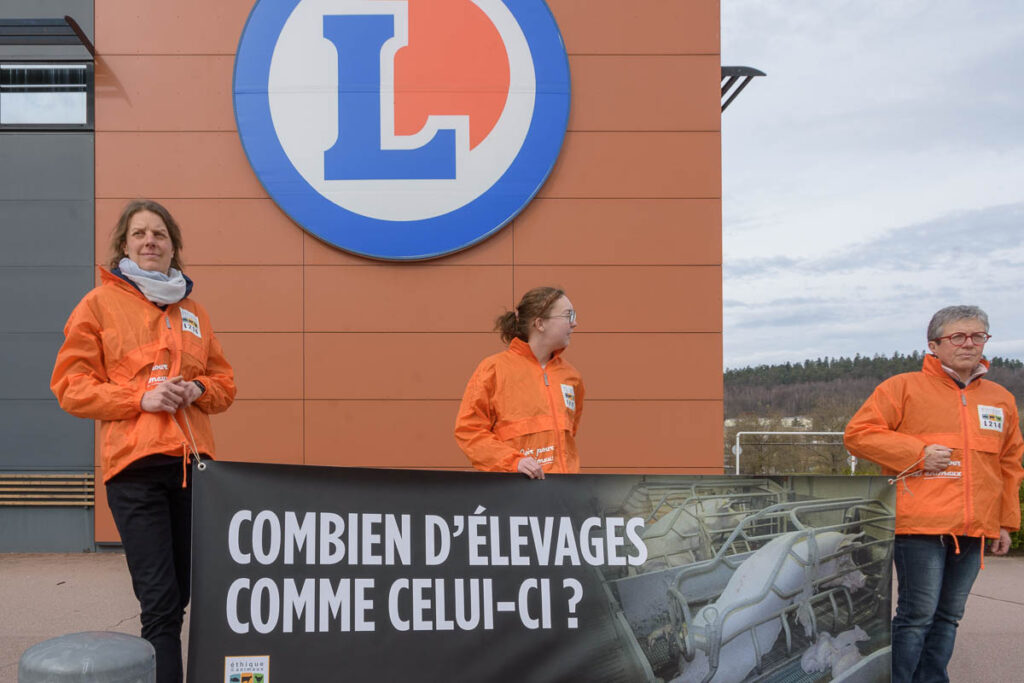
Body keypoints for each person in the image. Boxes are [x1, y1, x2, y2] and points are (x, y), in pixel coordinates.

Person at [51, 199, 236, 683]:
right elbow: (70, 387)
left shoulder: (194, 312)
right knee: (160, 603)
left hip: (193, 471)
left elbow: (225, 384)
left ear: (173, 248)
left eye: (159, 234)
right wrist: (140, 398)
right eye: (139, 234)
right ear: (124, 245)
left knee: (184, 594)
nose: (150, 241)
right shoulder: (97, 305)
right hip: (134, 472)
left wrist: (198, 388)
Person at [844, 305, 1024, 683]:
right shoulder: (902, 388)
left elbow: (1009, 464)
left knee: (949, 617)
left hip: (974, 528)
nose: (969, 343)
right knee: (916, 616)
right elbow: (859, 435)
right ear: (934, 345)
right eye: (957, 336)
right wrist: (917, 453)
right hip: (919, 526)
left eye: (977, 336)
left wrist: (1005, 523)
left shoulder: (1000, 399)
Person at [455, 286, 584, 478]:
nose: (575, 323)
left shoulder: (571, 377)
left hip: (564, 490)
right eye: (568, 315)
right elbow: (469, 432)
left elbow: (569, 435)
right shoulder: (494, 370)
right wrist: (513, 462)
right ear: (540, 323)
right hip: (515, 489)